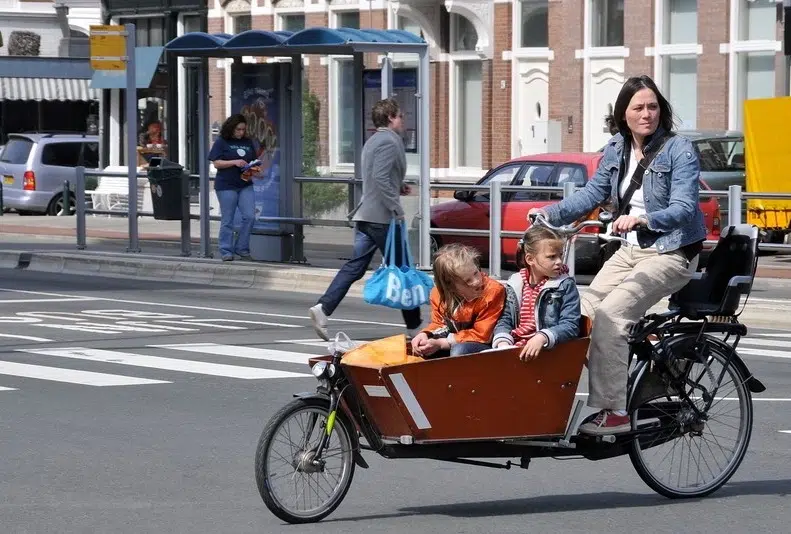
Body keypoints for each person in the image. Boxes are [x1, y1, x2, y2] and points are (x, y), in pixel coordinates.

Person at [529, 75, 707, 435]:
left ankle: (614, 411)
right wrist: (551, 214)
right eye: (638, 107)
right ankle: (554, 400)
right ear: (623, 114)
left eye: (653, 106)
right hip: (630, 251)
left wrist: (644, 218)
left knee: (611, 317)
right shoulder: (616, 148)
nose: (647, 114)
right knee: (575, 314)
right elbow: (593, 192)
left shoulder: (679, 150)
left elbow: (686, 208)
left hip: (672, 252)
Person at [309, 98, 420, 341]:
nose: (404, 120)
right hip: (382, 218)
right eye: (401, 116)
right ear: (391, 117)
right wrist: (395, 207)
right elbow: (380, 178)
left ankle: (323, 309)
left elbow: (377, 176)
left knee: (356, 267)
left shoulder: (372, 141)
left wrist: (397, 185)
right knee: (402, 270)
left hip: (366, 215)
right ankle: (414, 326)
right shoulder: (390, 141)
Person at [491, 226, 581, 361]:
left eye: (560, 255)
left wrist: (542, 337)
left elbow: (571, 325)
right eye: (552, 257)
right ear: (530, 259)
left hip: (545, 351)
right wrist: (503, 341)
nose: (559, 261)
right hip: (515, 347)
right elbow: (505, 318)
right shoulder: (516, 282)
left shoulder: (564, 285)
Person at [410, 244, 506, 358]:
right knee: (422, 348)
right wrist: (425, 334)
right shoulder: (438, 295)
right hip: (455, 340)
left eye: (476, 273)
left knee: (459, 351)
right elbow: (439, 324)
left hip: (486, 344)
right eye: (467, 280)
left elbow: (483, 334)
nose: (476, 281)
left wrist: (442, 343)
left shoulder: (492, 291)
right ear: (450, 286)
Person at [208, 114, 258, 262]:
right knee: (228, 219)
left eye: (243, 129)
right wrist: (234, 162)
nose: (241, 132)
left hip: (245, 183)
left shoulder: (247, 142)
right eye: (238, 129)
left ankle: (242, 248)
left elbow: (252, 160)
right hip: (226, 185)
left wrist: (253, 169)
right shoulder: (222, 142)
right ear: (231, 128)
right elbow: (216, 163)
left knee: (249, 216)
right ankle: (226, 250)